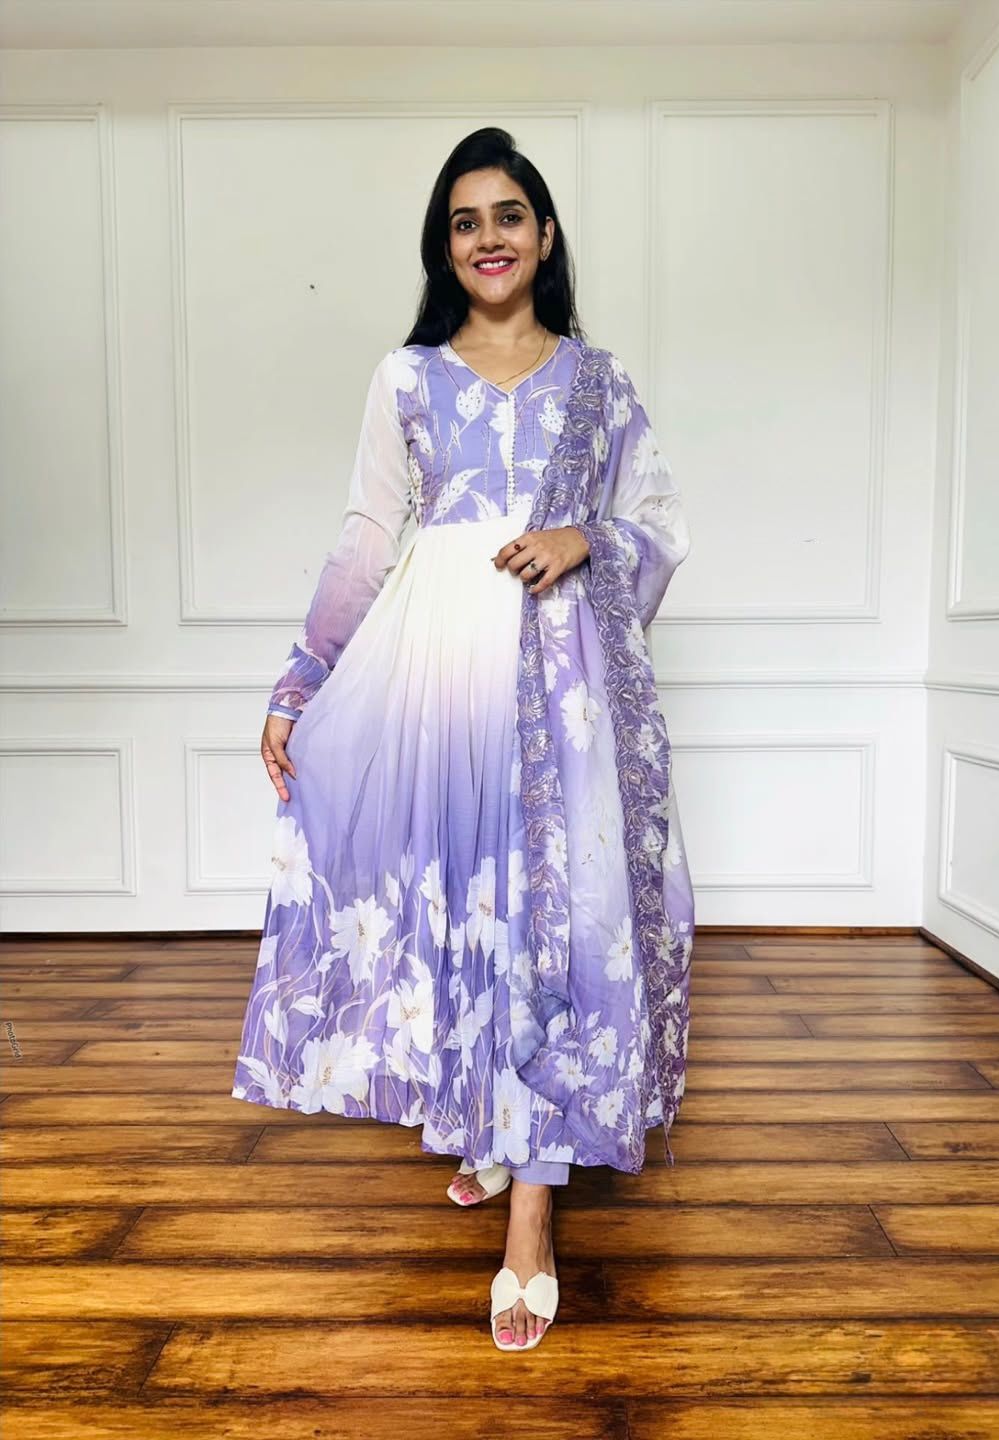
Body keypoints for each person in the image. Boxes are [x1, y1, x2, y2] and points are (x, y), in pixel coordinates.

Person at [230, 126, 695, 1352]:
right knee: (466, 910)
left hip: (564, 691)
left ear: (545, 233)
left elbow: (659, 522)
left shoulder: (597, 384)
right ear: (447, 248)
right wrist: (302, 680)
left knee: (556, 926)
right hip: (439, 683)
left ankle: (532, 1219)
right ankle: (491, 1125)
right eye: (464, 221)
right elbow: (363, 539)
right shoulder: (407, 379)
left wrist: (585, 540)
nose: (488, 238)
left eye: (508, 215)